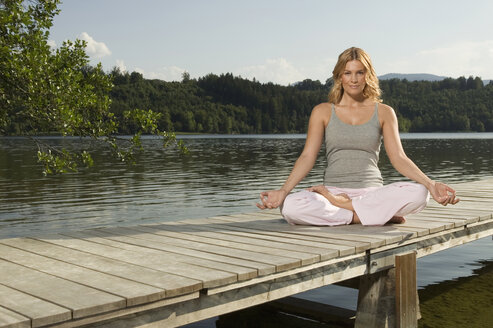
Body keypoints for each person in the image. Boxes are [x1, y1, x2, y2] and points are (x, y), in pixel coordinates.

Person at [256, 47, 459, 226]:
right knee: (290, 206)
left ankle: (352, 209)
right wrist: (283, 191)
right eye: (348, 73)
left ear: (368, 75)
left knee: (420, 194)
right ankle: (365, 216)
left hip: (372, 193)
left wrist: (431, 184)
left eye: (359, 72)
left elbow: (398, 157)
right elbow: (307, 157)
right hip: (332, 194)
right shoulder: (322, 111)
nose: (353, 79)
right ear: (339, 77)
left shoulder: (385, 112)